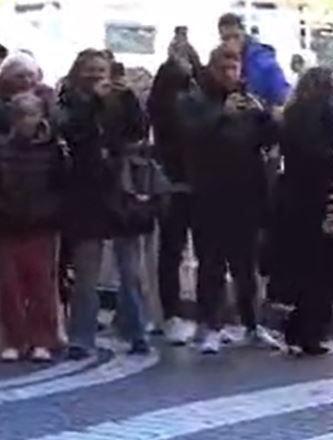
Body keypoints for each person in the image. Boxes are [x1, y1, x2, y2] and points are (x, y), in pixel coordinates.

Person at [178, 44, 280, 355]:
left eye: (234, 68)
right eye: (224, 68)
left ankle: (251, 324)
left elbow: (270, 139)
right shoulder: (194, 100)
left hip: (246, 194)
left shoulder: (247, 100)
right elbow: (193, 133)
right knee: (211, 264)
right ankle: (209, 325)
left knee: (245, 265)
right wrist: (224, 115)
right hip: (209, 193)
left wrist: (265, 116)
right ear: (211, 69)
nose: (230, 74)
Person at [58, 49, 152, 360]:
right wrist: (95, 102)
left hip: (119, 190)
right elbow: (74, 133)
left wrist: (130, 100)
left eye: (102, 69)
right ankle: (81, 338)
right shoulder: (68, 102)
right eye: (90, 69)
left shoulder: (119, 99)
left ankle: (136, 331)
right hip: (86, 194)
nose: (97, 75)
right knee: (87, 274)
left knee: (130, 271)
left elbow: (137, 131)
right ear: (78, 72)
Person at [266, 67, 333, 356]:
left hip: (291, 197)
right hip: (322, 196)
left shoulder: (291, 114)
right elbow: (332, 151)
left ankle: (294, 328)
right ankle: (312, 330)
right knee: (322, 268)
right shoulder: (327, 115)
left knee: (299, 266)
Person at [0, 91, 67, 363]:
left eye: (32, 114)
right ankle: (14, 338)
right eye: (22, 115)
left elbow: (61, 185)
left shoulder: (53, 151)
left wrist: (53, 211)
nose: (27, 121)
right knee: (8, 286)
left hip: (41, 224)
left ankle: (42, 338)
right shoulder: (3, 150)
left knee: (41, 285)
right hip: (7, 225)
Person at [147, 34, 203, 345]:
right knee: (177, 251)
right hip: (181, 181)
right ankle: (174, 313)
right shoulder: (178, 99)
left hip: (178, 180)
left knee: (174, 251)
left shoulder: (170, 96)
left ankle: (173, 314)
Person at [217, 13, 290, 107]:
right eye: (226, 39)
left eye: (236, 37)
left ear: (243, 33)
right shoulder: (218, 63)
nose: (232, 42)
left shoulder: (263, 62)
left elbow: (281, 96)